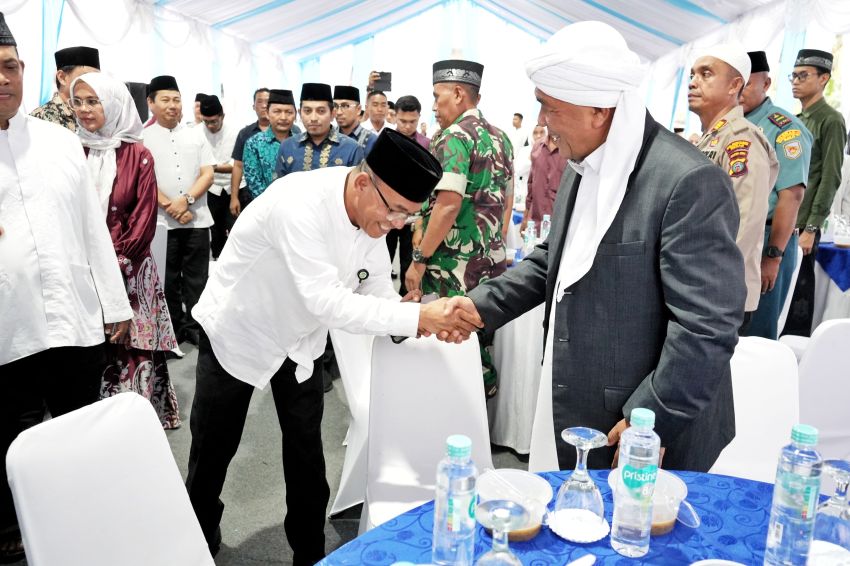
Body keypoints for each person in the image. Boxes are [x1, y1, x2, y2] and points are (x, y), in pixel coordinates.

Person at [446, 21, 745, 472]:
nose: (542, 124)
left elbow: (706, 326)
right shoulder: (582, 163)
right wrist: (477, 307)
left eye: (550, 109)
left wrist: (652, 418)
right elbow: (555, 257)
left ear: (599, 111)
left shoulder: (686, 181)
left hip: (642, 427)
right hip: (580, 405)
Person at [185, 129, 480, 563]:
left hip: (300, 342)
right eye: (396, 212)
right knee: (213, 450)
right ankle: (196, 539)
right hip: (239, 330)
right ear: (363, 184)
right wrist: (418, 318)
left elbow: (375, 282)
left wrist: (420, 318)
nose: (397, 226)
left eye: (408, 218)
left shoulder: (374, 214)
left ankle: (311, 554)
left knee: (307, 456)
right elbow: (325, 299)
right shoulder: (299, 204)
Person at [0, 15, 132, 561]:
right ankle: (12, 531)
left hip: (75, 320)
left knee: (81, 423)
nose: (1, 79)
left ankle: (82, 519)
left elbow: (91, 228)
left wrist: (114, 302)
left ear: (24, 71)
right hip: (10, 326)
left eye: (8, 67)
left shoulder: (58, 141)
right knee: (12, 436)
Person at [71, 72, 181, 428]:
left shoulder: (138, 155)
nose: (85, 110)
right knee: (90, 350)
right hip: (82, 270)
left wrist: (111, 268)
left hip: (129, 271)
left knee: (132, 349)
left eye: (94, 101)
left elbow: (143, 222)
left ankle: (134, 428)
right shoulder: (71, 151)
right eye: (79, 101)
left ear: (115, 104)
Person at [406, 59, 513, 397]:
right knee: (479, 334)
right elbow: (507, 203)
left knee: (453, 338)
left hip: (453, 263)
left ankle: (458, 417)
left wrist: (419, 258)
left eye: (438, 97)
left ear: (457, 93)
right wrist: (491, 242)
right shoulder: (502, 139)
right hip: (490, 259)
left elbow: (448, 204)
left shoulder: (453, 137)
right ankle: (478, 416)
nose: (434, 106)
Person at [689, 43, 778, 334]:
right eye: (692, 74)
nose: (693, 82)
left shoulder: (743, 139)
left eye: (705, 74)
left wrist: (707, 283)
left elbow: (746, 221)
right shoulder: (711, 139)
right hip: (698, 284)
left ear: (735, 85)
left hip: (718, 292)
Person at [741, 51, 812, 340]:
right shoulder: (729, 124)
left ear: (766, 84)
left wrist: (773, 256)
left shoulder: (784, 129)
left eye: (746, 83)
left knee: (757, 335)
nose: (738, 89)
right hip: (737, 239)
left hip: (768, 241)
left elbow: (791, 196)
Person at [142, 75, 215, 347]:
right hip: (163, 223)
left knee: (198, 278)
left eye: (176, 99)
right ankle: (171, 328)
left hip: (197, 219)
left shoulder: (196, 134)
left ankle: (195, 327)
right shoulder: (142, 137)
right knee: (168, 278)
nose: (172, 105)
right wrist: (171, 207)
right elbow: (145, 179)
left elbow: (207, 173)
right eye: (165, 100)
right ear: (151, 103)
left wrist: (186, 200)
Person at [784, 48, 847, 337]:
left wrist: (812, 226)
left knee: (798, 298)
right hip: (787, 218)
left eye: (803, 75)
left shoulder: (831, 120)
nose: (795, 81)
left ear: (823, 79)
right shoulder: (798, 119)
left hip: (804, 224)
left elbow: (831, 176)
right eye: (793, 75)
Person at [386, 94, 429, 295]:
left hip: (413, 219)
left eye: (413, 121)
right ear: (394, 116)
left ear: (419, 117)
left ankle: (405, 312)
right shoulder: (385, 141)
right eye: (402, 121)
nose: (407, 126)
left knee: (408, 266)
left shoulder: (427, 145)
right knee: (382, 265)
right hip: (385, 215)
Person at [275, 83, 363, 178]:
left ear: (333, 114)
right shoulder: (288, 146)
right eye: (307, 111)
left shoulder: (351, 148)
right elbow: (279, 188)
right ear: (300, 113)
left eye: (321, 111)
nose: (313, 118)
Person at [198, 94, 238, 259]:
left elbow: (236, 167)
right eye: (206, 121)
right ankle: (216, 263)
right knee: (215, 232)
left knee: (235, 229)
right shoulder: (196, 133)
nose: (210, 125)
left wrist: (210, 167)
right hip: (210, 189)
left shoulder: (236, 132)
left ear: (222, 116)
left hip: (233, 188)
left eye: (214, 121)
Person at [243, 89, 297, 199]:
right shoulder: (253, 144)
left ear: (295, 114)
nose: (283, 117)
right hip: (266, 208)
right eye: (277, 111)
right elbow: (254, 183)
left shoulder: (301, 142)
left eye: (289, 112)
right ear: (267, 113)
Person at [30, 45, 100, 131]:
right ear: (62, 77)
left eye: (96, 77)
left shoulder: (99, 113)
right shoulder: (39, 119)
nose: (93, 83)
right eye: (85, 77)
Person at [521, 124, 568, 231]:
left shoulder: (569, 149)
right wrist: (525, 217)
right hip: (535, 222)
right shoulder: (537, 146)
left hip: (558, 223)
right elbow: (531, 183)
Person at [333, 85, 376, 155]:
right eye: (335, 106)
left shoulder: (371, 140)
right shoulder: (328, 137)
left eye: (345, 106)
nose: (339, 112)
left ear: (358, 109)